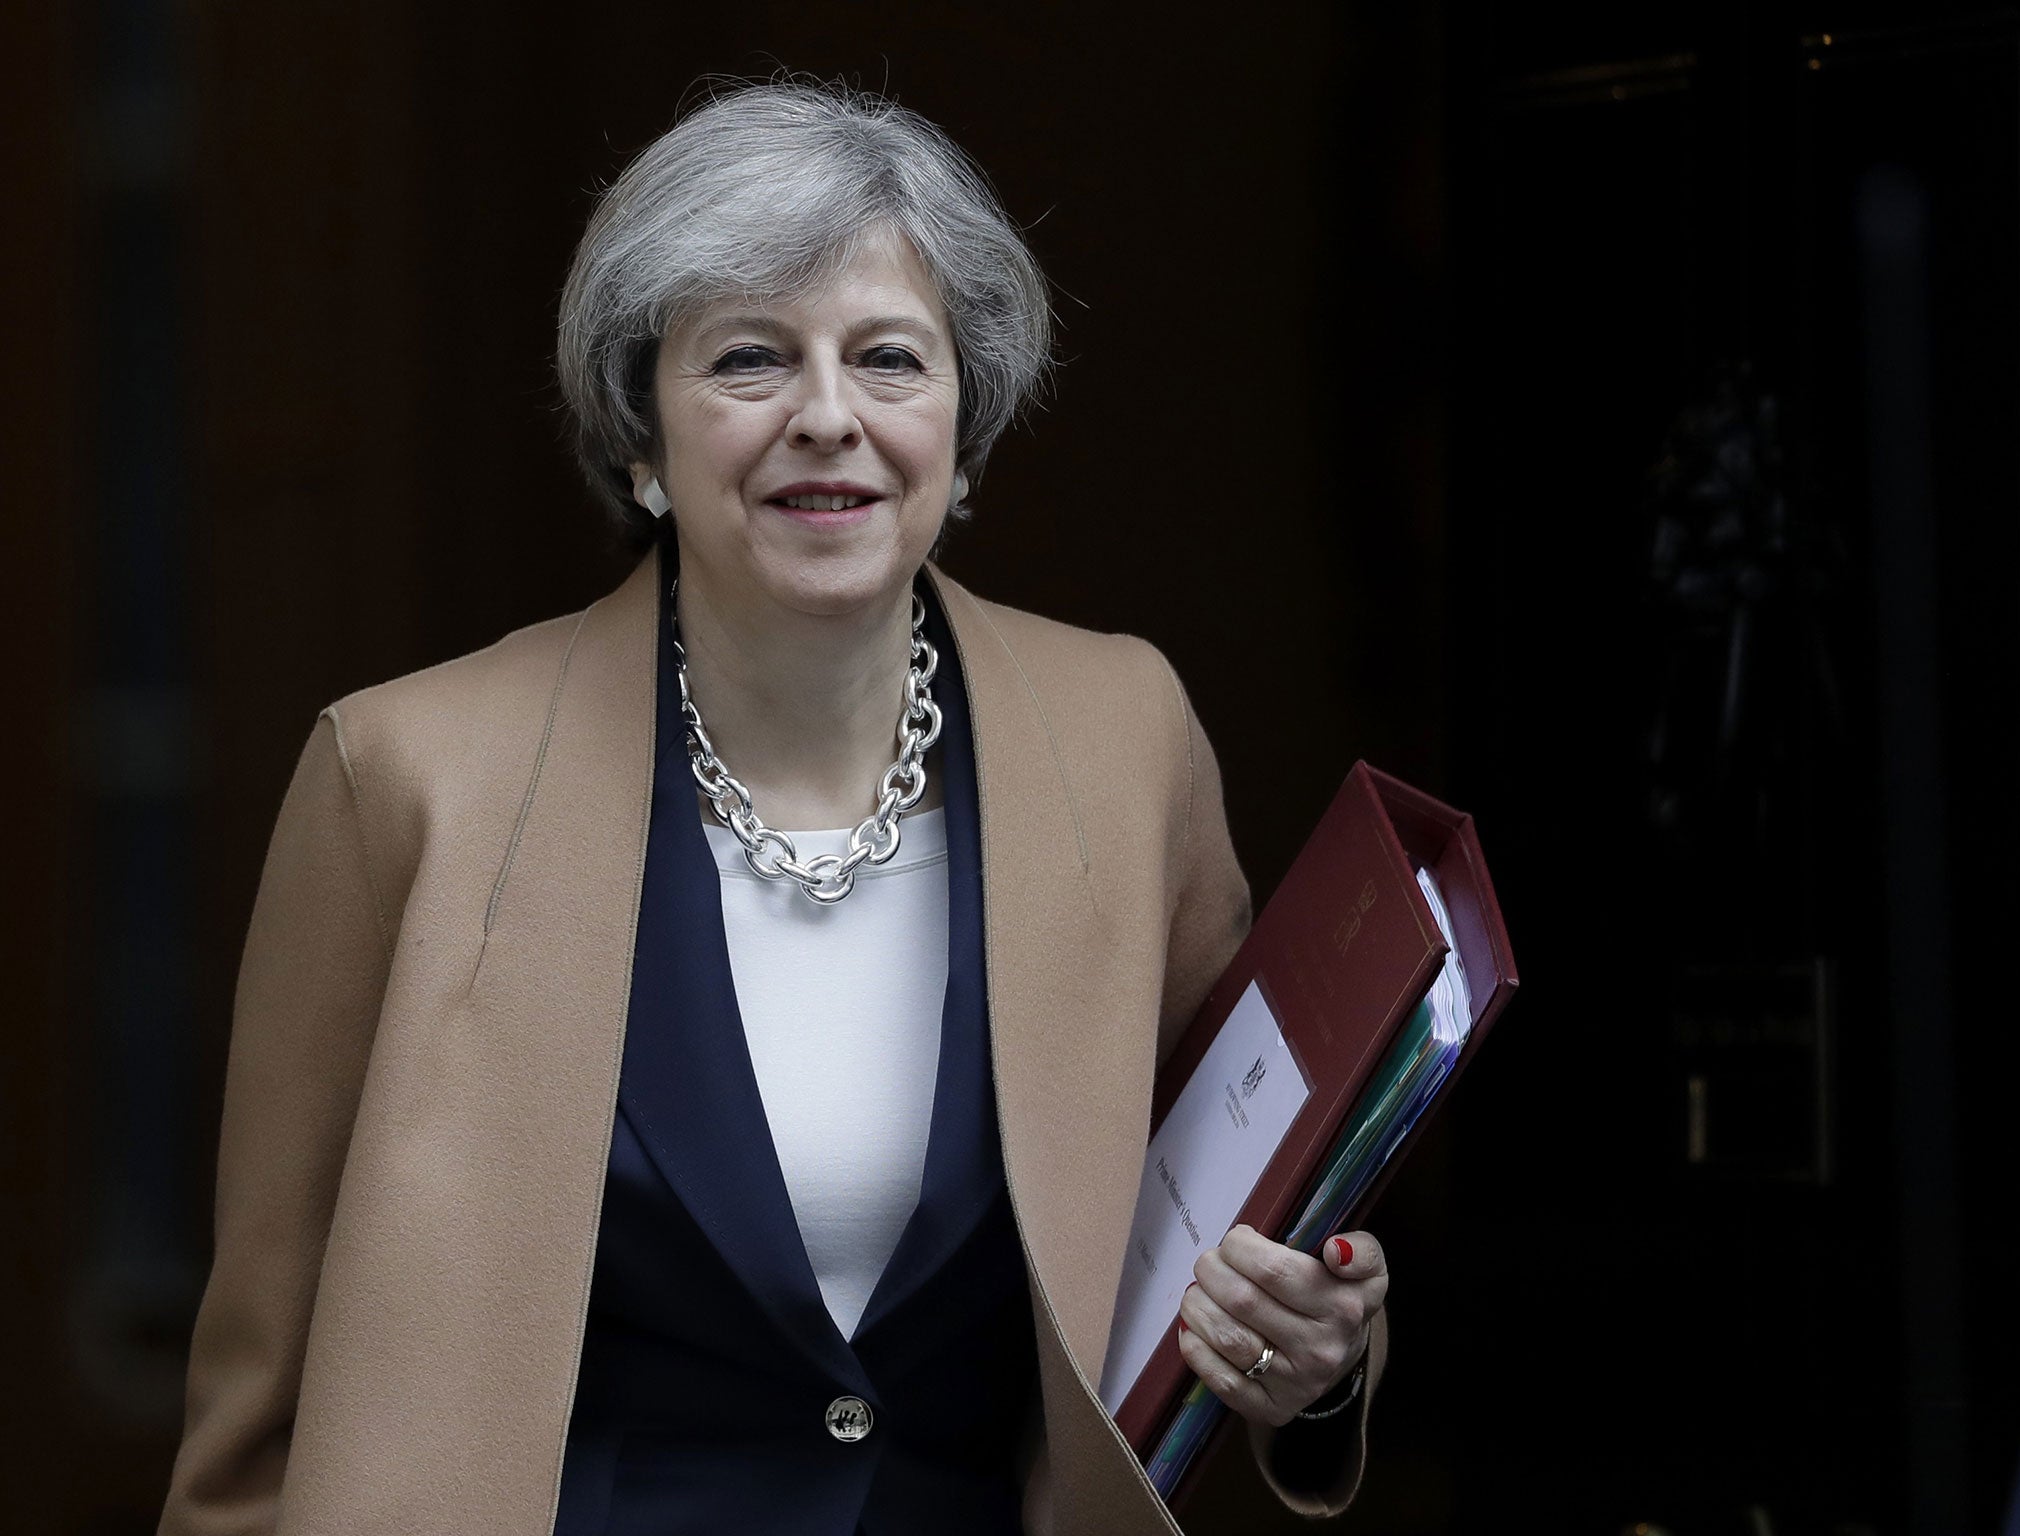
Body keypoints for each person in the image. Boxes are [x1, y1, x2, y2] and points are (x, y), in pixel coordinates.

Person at [159, 80, 1390, 1535]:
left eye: (888, 359)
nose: (828, 417)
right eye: (749, 360)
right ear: (640, 433)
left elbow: (1227, 1222)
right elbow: (256, 1424)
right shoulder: (403, 779)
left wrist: (1318, 1362)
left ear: (965, 422)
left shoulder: (1123, 741)